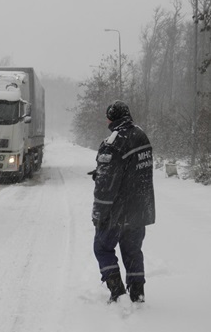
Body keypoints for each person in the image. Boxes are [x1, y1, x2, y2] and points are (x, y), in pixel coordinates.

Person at [90, 100, 155, 303]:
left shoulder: (114, 141)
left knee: (102, 248)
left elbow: (106, 185)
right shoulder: (141, 135)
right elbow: (133, 170)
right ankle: (138, 295)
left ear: (112, 117)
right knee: (133, 250)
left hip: (117, 211)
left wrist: (99, 212)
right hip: (139, 209)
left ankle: (117, 293)